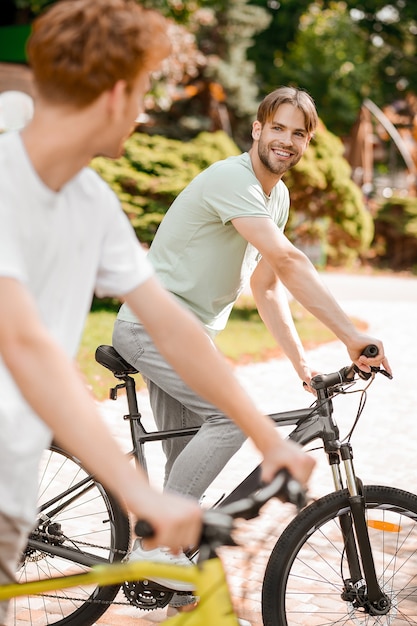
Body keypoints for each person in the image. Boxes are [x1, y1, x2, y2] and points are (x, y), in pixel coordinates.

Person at [0, 2, 316, 621]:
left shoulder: (92, 203)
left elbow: (173, 325)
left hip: (12, 493)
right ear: (115, 92)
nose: (147, 110)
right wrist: (144, 497)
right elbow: (25, 345)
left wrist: (264, 434)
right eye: (145, 89)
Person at [114, 86, 392, 551]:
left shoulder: (276, 196)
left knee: (187, 473)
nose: (286, 140)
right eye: (277, 127)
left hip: (189, 335)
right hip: (152, 326)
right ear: (257, 129)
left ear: (307, 143)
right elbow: (287, 260)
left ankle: (177, 596)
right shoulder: (233, 180)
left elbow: (266, 286)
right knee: (230, 417)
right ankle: (161, 546)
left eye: (298, 133)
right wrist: (350, 335)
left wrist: (303, 366)